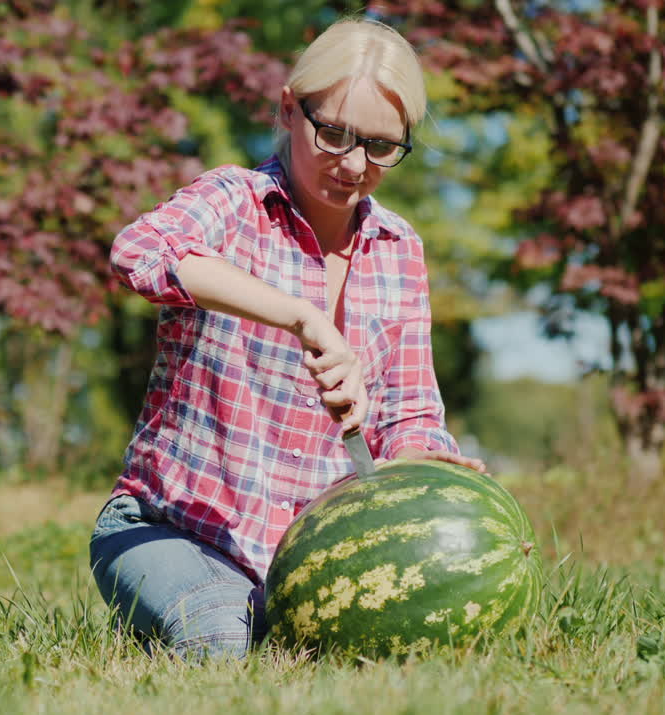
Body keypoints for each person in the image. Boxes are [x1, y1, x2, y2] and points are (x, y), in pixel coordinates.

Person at [88, 15, 486, 661]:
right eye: (334, 133)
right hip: (176, 529)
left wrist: (422, 466)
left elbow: (410, 413)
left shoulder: (399, 248)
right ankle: (178, 604)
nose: (353, 164)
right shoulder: (235, 203)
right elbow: (140, 251)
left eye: (381, 147)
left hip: (310, 555)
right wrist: (300, 314)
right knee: (226, 640)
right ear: (287, 109)